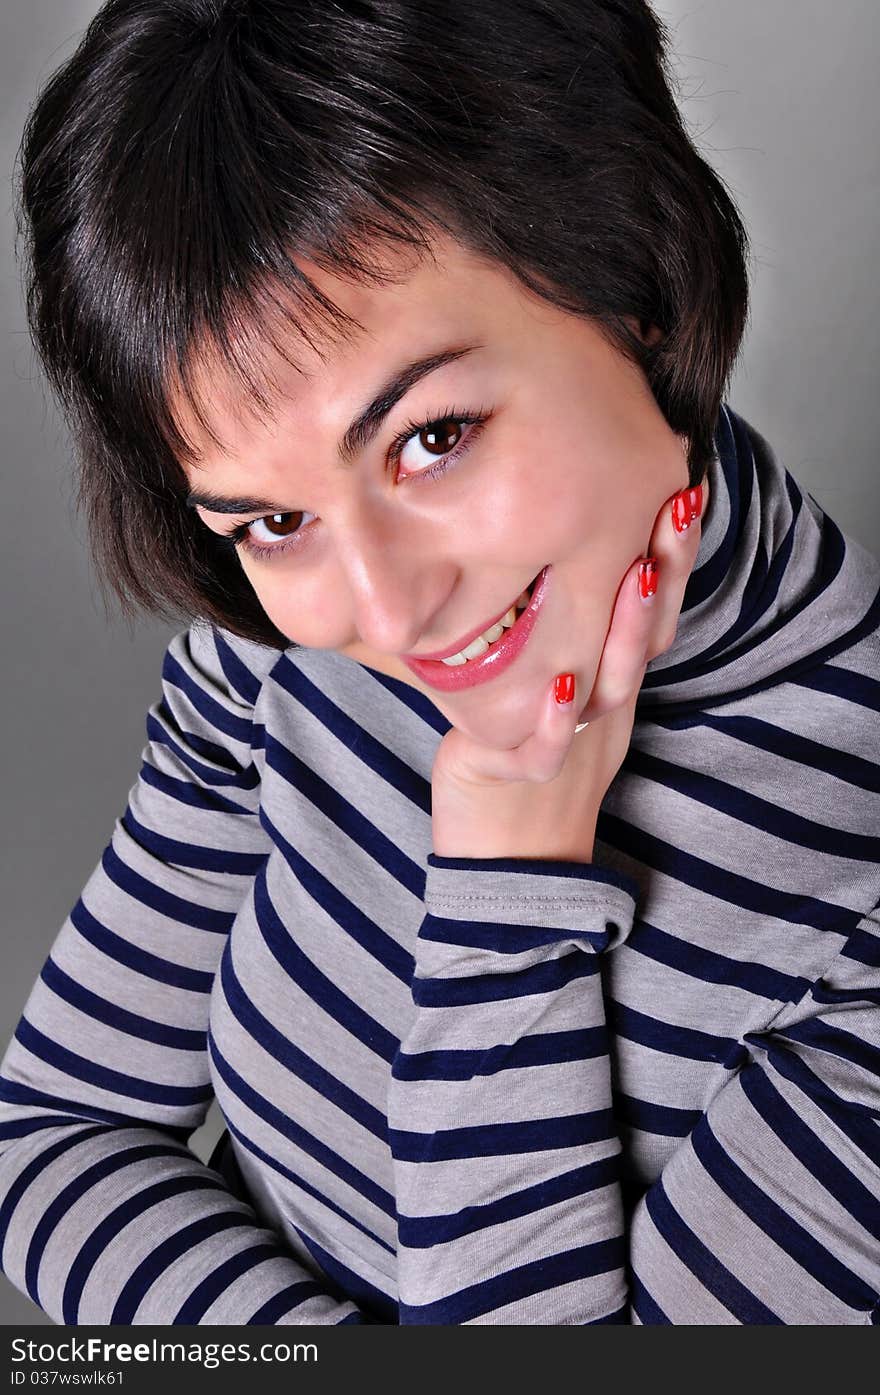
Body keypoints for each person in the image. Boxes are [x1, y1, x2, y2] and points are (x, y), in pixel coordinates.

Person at [0, 0, 877, 1327]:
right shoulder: (272, 666)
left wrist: (510, 884)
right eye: (274, 522)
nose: (389, 613)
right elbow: (51, 1139)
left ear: (635, 281)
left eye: (432, 436)